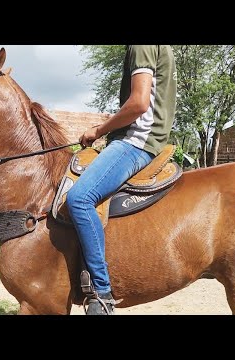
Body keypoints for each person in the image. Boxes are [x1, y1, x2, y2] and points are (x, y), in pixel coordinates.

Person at [66, 45, 177, 315]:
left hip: (137, 142)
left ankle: (101, 295)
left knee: (79, 199)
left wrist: (99, 129)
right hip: (142, 138)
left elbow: (138, 103)